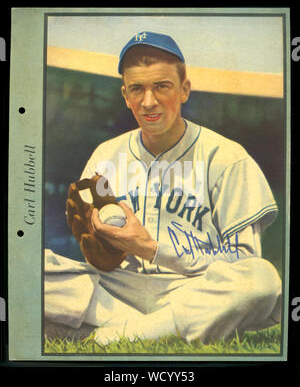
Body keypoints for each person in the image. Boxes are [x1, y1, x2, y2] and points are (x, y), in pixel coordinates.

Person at [44, 31, 282, 346]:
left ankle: (123, 333)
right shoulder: (105, 155)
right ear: (125, 96)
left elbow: (242, 259)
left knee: (262, 278)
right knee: (30, 266)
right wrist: (101, 249)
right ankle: (140, 328)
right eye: (137, 89)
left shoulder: (227, 157)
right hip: (117, 291)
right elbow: (96, 248)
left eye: (161, 87)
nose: (148, 101)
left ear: (184, 90)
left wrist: (152, 248)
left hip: (191, 291)